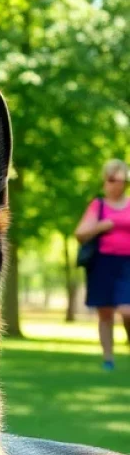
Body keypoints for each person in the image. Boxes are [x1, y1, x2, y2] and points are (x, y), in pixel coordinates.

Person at [76, 158, 130, 370]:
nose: (114, 184)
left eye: (118, 180)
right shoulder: (98, 206)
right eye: (110, 179)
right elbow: (80, 234)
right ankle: (108, 358)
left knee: (127, 311)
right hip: (103, 264)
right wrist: (101, 226)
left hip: (127, 265)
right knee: (105, 314)